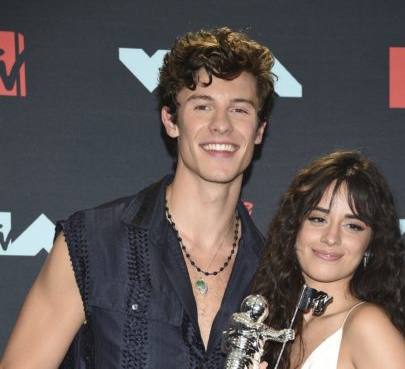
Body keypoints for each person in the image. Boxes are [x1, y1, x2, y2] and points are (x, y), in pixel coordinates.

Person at [0, 27, 275, 368]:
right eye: (202, 106)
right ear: (171, 121)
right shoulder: (92, 241)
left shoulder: (274, 272)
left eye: (239, 110)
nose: (221, 125)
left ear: (259, 130)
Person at [251, 150, 405, 368]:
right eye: (319, 219)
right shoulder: (278, 322)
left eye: (352, 226)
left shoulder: (368, 326)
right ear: (294, 229)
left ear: (371, 244)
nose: (331, 238)